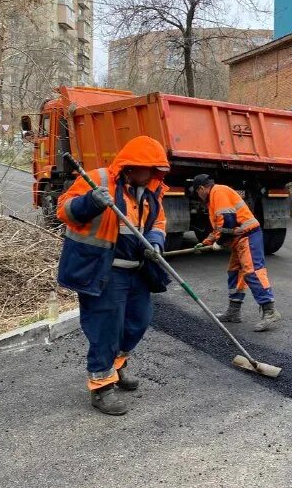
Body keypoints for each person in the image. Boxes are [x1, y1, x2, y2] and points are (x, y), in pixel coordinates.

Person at [56, 136, 171, 415]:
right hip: (104, 270)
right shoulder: (99, 179)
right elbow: (64, 211)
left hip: (137, 271)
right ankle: (101, 386)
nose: (152, 174)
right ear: (131, 166)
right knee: (106, 328)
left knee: (138, 321)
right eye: (148, 169)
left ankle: (118, 365)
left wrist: (155, 243)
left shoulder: (151, 190)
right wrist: (91, 202)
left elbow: (158, 221)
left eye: (155, 170)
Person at [191, 174, 281, 332]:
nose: (198, 196)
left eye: (197, 192)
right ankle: (234, 311)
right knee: (234, 272)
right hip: (239, 239)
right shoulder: (214, 198)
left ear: (201, 188)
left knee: (253, 272)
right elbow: (219, 228)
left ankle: (270, 311)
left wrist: (219, 243)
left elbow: (228, 221)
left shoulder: (218, 192)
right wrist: (205, 243)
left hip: (248, 236)